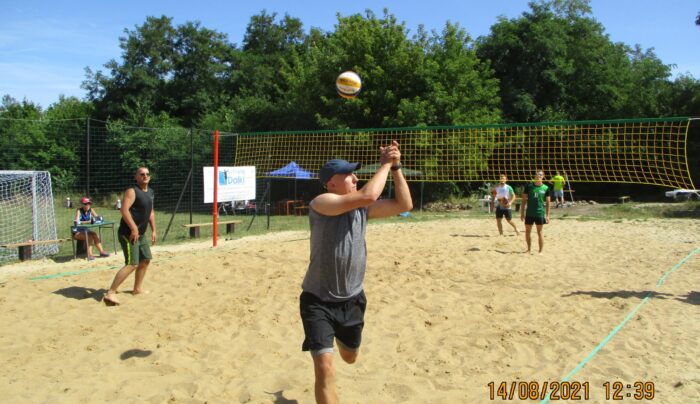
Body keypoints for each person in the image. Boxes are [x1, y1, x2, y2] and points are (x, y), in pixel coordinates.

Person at [300, 140, 412, 404]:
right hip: (317, 301)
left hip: (352, 301)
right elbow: (369, 195)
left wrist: (395, 167)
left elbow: (404, 204)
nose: (355, 177)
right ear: (331, 183)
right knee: (325, 368)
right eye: (349, 174)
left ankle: (341, 339)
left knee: (350, 357)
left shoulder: (362, 209)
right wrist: (384, 163)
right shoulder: (322, 202)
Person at [103, 167, 156, 306]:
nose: (145, 176)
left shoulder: (150, 192)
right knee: (133, 263)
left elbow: (150, 213)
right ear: (136, 177)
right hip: (128, 233)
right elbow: (124, 210)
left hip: (141, 234)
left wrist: (154, 230)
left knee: (145, 260)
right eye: (142, 174)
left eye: (147, 174)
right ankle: (111, 292)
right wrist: (133, 228)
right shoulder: (132, 191)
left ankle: (137, 289)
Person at [520, 170, 551, 253]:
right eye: (537, 174)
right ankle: (529, 249)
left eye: (540, 174)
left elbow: (548, 202)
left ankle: (540, 251)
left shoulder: (546, 188)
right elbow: (523, 200)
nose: (539, 175)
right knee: (527, 231)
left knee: (539, 232)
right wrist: (522, 213)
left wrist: (547, 216)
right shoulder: (529, 186)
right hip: (529, 213)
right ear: (535, 176)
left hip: (540, 213)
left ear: (543, 176)